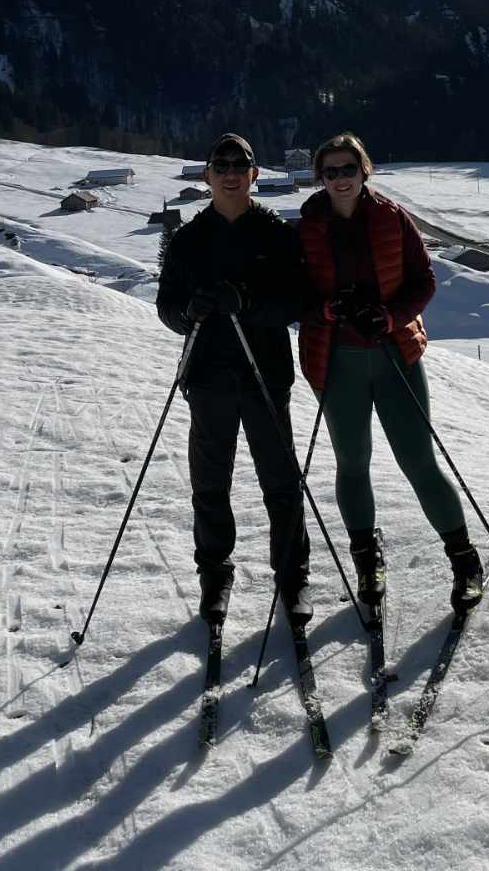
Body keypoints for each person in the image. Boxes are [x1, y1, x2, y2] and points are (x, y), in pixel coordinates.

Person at [296, 133, 485, 614]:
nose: (340, 179)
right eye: (331, 171)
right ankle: (366, 559)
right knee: (352, 462)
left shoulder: (392, 217)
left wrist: (389, 317)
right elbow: (295, 294)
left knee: (418, 460)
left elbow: (424, 280)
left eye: (348, 169)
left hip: (394, 354)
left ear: (364, 170)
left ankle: (464, 560)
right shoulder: (307, 227)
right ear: (321, 177)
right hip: (337, 360)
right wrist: (327, 310)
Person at [156, 133, 313, 626]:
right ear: (207, 176)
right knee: (210, 484)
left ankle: (292, 576)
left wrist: (247, 303)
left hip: (265, 376)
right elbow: (166, 306)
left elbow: (296, 302)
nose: (229, 173)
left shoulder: (277, 235)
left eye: (239, 165)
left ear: (253, 174)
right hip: (207, 378)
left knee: (281, 482)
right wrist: (189, 311)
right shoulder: (188, 240)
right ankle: (214, 576)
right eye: (220, 165)